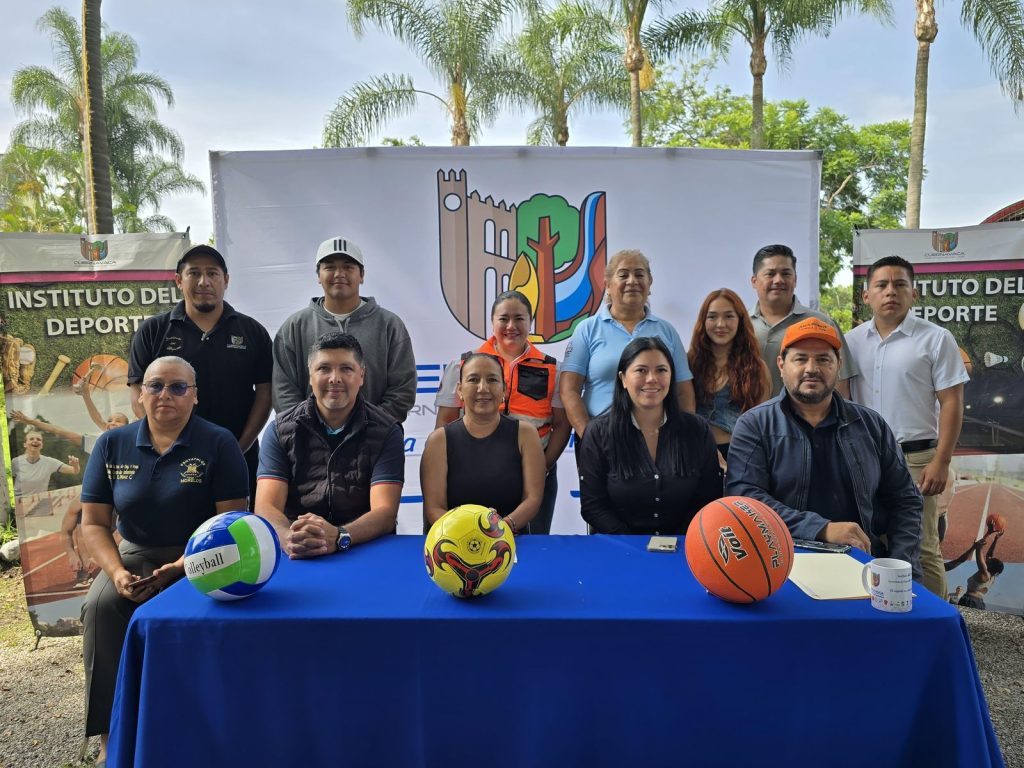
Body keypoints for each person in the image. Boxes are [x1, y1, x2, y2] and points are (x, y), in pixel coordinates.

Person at [80, 356, 249, 765]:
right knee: (101, 607)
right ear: (140, 394)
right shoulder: (111, 444)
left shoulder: (219, 442)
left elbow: (230, 525)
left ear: (195, 396)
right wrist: (116, 572)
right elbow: (94, 523)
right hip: (134, 554)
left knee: (210, 616)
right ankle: (110, 738)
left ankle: (210, 733)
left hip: (206, 556)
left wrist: (182, 567)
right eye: (155, 386)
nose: (165, 395)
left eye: (178, 387)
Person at [726, 316, 923, 574]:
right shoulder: (754, 425)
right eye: (800, 359)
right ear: (781, 365)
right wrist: (821, 529)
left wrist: (900, 568)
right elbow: (745, 499)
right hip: (781, 565)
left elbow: (905, 500)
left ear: (839, 365)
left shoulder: (871, 425)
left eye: (823, 359)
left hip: (861, 565)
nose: (812, 368)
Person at [846, 255, 969, 599]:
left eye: (900, 284)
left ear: (913, 293)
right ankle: (879, 614)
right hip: (864, 458)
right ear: (866, 295)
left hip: (917, 459)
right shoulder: (850, 342)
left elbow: (952, 402)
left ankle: (938, 620)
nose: (891, 291)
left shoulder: (936, 339)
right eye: (881, 285)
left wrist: (941, 461)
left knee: (922, 547)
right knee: (867, 541)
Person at [128, 244, 272, 506]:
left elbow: (265, 394)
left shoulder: (252, 331)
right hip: (171, 460)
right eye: (194, 273)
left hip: (240, 458)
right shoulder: (152, 331)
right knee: (174, 528)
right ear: (178, 281)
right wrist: (165, 446)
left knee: (236, 527)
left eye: (212, 273)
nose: (204, 281)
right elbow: (138, 390)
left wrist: (238, 448)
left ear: (226, 280)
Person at [256, 332, 405, 557]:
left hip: (364, 550)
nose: (335, 378)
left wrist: (340, 536)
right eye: (324, 368)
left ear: (361, 375)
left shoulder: (387, 431)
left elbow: (385, 512)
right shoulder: (279, 430)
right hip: (298, 552)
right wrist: (288, 538)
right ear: (310, 375)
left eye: (346, 369)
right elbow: (266, 507)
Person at [434, 290, 570, 533]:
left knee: (533, 546)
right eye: (503, 319)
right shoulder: (462, 365)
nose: (511, 326)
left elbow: (562, 424)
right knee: (471, 539)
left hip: (536, 474)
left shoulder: (553, 369)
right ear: (492, 322)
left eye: (519, 318)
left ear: (530, 322)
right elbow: (446, 420)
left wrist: (542, 467)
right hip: (472, 473)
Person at [579, 337, 721, 534]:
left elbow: (708, 499)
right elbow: (593, 506)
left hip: (684, 544)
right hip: (620, 545)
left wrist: (677, 541)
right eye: (641, 370)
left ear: (671, 377)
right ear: (623, 379)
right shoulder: (598, 433)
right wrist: (633, 544)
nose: (652, 378)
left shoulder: (698, 430)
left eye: (661, 370)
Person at [272, 236, 416, 422]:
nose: (339, 274)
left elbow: (403, 389)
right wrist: (311, 429)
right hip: (307, 436)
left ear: (362, 275)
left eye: (348, 267)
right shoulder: (294, 327)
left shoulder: (389, 325)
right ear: (318, 275)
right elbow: (283, 391)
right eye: (330, 267)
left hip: (377, 436)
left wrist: (370, 427)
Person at [561, 249, 695, 444]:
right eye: (623, 275)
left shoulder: (666, 331)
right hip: (602, 437)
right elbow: (569, 390)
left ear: (649, 283)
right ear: (607, 285)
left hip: (657, 439)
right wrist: (589, 436)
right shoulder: (587, 329)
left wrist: (683, 437)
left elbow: (683, 391)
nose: (632, 281)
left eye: (639, 274)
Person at [421, 352, 545, 534]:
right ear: (460, 390)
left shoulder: (526, 434)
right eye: (473, 380)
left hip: (511, 539)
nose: (483, 388)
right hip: (455, 540)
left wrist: (500, 528)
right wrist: (474, 533)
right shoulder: (439, 441)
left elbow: (532, 499)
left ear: (504, 389)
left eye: (492, 380)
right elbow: (434, 508)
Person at [748, 244, 858, 398]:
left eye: (786, 273)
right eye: (770, 274)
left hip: (807, 414)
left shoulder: (823, 324)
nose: (778, 280)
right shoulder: (740, 325)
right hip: (748, 413)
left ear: (795, 280)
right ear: (754, 281)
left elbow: (840, 385)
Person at [687, 288, 771, 464]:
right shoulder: (689, 363)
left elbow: (761, 423)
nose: (720, 324)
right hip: (695, 452)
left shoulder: (757, 368)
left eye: (729, 316)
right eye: (712, 317)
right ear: (703, 321)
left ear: (740, 320)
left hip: (740, 455)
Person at [12, 373, 130, 454]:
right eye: (110, 420)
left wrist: (86, 395)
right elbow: (58, 430)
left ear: (128, 428)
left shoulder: (134, 439)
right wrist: (30, 421)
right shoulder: (96, 444)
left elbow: (99, 421)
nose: (112, 423)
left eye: (118, 421)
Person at [944, 530, 1004, 610]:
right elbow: (989, 555)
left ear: (991, 565)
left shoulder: (984, 573)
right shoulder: (992, 577)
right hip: (978, 603)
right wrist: (995, 539)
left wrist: (979, 544)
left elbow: (979, 549)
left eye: (989, 561)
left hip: (970, 602)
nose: (987, 560)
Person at [11, 430, 79, 496]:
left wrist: (75, 465)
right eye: (31, 439)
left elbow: (74, 471)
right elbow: (8, 482)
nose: (35, 441)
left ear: (42, 445)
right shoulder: (15, 461)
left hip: (40, 501)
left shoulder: (49, 462)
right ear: (25, 444)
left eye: (38, 439)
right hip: (18, 501)